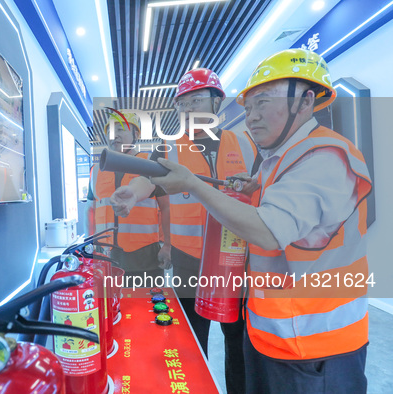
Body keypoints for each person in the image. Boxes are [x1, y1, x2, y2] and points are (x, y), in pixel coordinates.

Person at [148, 49, 372, 393]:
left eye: (263, 102)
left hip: (315, 347)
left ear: (306, 100)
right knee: (192, 338)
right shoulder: (278, 159)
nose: (252, 116)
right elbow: (149, 179)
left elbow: (269, 230)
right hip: (254, 312)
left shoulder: (325, 156)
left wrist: (194, 185)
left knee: (232, 345)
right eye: (249, 106)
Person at [110, 68, 260, 393]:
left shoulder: (246, 144)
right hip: (189, 263)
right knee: (192, 341)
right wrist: (133, 193)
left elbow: (265, 189)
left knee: (239, 344)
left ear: (217, 101)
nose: (190, 108)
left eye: (197, 99)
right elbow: (147, 176)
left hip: (237, 264)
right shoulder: (171, 147)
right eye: (184, 103)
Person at [87, 112, 171, 278]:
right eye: (110, 131)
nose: (114, 135)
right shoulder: (96, 170)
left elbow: (167, 207)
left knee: (148, 302)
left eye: (120, 129)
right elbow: (90, 210)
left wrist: (168, 245)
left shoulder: (150, 164)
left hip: (144, 259)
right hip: (105, 259)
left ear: (136, 134)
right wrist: (89, 246)